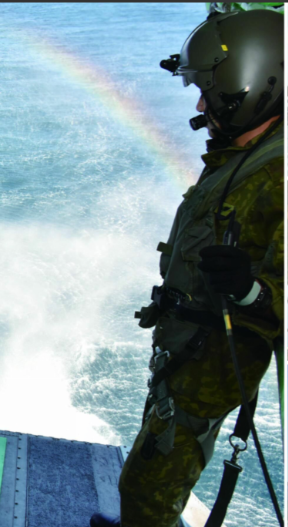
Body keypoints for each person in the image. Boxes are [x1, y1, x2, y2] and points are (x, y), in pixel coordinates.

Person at [90, 9, 284, 527]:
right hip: (189, 351)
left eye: (208, 93)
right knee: (149, 465)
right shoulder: (244, 155)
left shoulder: (277, 173)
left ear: (247, 86)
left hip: (212, 362)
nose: (200, 105)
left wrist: (249, 291)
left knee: (146, 492)